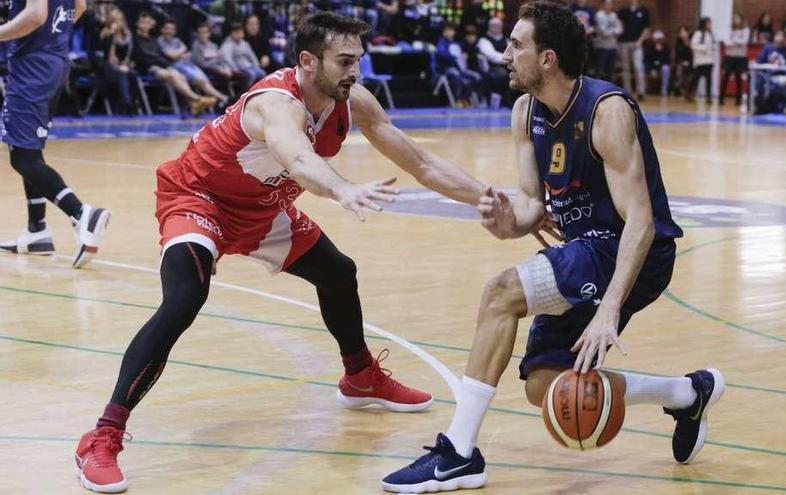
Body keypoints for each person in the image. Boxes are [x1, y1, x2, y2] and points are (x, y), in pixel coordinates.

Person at [73, 12, 491, 493]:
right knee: (184, 298)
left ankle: (360, 377)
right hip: (198, 197)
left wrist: (489, 197)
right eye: (344, 60)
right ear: (308, 61)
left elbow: (421, 161)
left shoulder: (351, 100)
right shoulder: (276, 103)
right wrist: (342, 190)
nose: (354, 70)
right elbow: (298, 158)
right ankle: (102, 437)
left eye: (359, 59)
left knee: (338, 272)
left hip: (261, 206)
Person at [382, 1, 724, 492]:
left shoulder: (606, 112)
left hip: (632, 249)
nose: (505, 55)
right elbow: (529, 205)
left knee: (501, 292)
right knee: (547, 384)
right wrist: (507, 224)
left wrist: (609, 308)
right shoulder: (525, 112)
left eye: (516, 45)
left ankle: (458, 452)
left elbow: (642, 221)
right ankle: (689, 393)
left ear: (547, 59)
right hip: (587, 248)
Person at [0, 0, 111, 267]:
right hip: (54, 61)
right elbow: (80, 6)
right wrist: (52, 36)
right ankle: (37, 231)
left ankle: (82, 213)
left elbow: (37, 15)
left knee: (22, 158)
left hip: (33, 66)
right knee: (29, 149)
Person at [616, 0, 649, 100]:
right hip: (624, 42)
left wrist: (640, 40)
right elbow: (616, 19)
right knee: (626, 68)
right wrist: (620, 27)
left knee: (638, 67)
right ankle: (627, 92)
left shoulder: (643, 11)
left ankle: (641, 92)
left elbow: (646, 29)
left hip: (637, 43)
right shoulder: (624, 11)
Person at [719, 12, 749, 106]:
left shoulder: (746, 29)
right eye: (734, 18)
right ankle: (721, 98)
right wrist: (736, 43)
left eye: (737, 18)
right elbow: (726, 42)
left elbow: (744, 41)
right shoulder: (728, 29)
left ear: (741, 19)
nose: (736, 20)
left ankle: (738, 99)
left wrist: (734, 41)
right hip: (729, 56)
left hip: (741, 57)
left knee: (739, 77)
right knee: (725, 77)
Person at [689, 17, 715, 103]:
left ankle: (708, 96)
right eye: (708, 23)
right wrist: (704, 48)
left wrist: (711, 49)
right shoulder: (698, 33)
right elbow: (693, 45)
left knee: (709, 79)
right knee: (696, 78)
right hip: (700, 61)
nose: (709, 25)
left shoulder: (710, 34)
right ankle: (690, 94)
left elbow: (712, 45)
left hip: (709, 60)